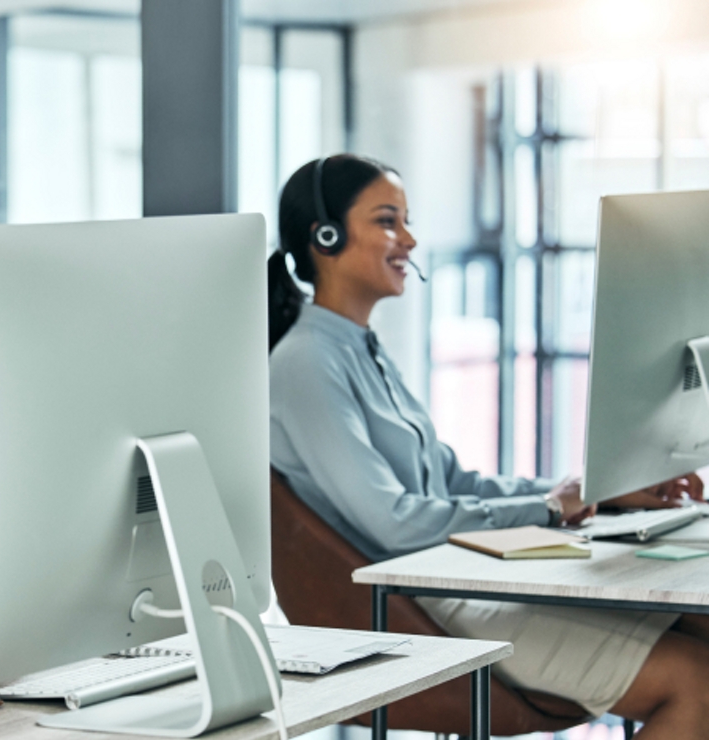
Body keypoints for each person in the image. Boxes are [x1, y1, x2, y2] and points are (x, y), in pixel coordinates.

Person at [268, 154, 709, 737]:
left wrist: (595, 490)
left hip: (446, 583)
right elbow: (394, 523)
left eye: (406, 220)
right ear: (325, 237)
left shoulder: (358, 347)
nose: (410, 238)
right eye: (387, 221)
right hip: (417, 609)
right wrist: (551, 508)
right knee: (695, 683)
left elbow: (454, 480)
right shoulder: (305, 363)